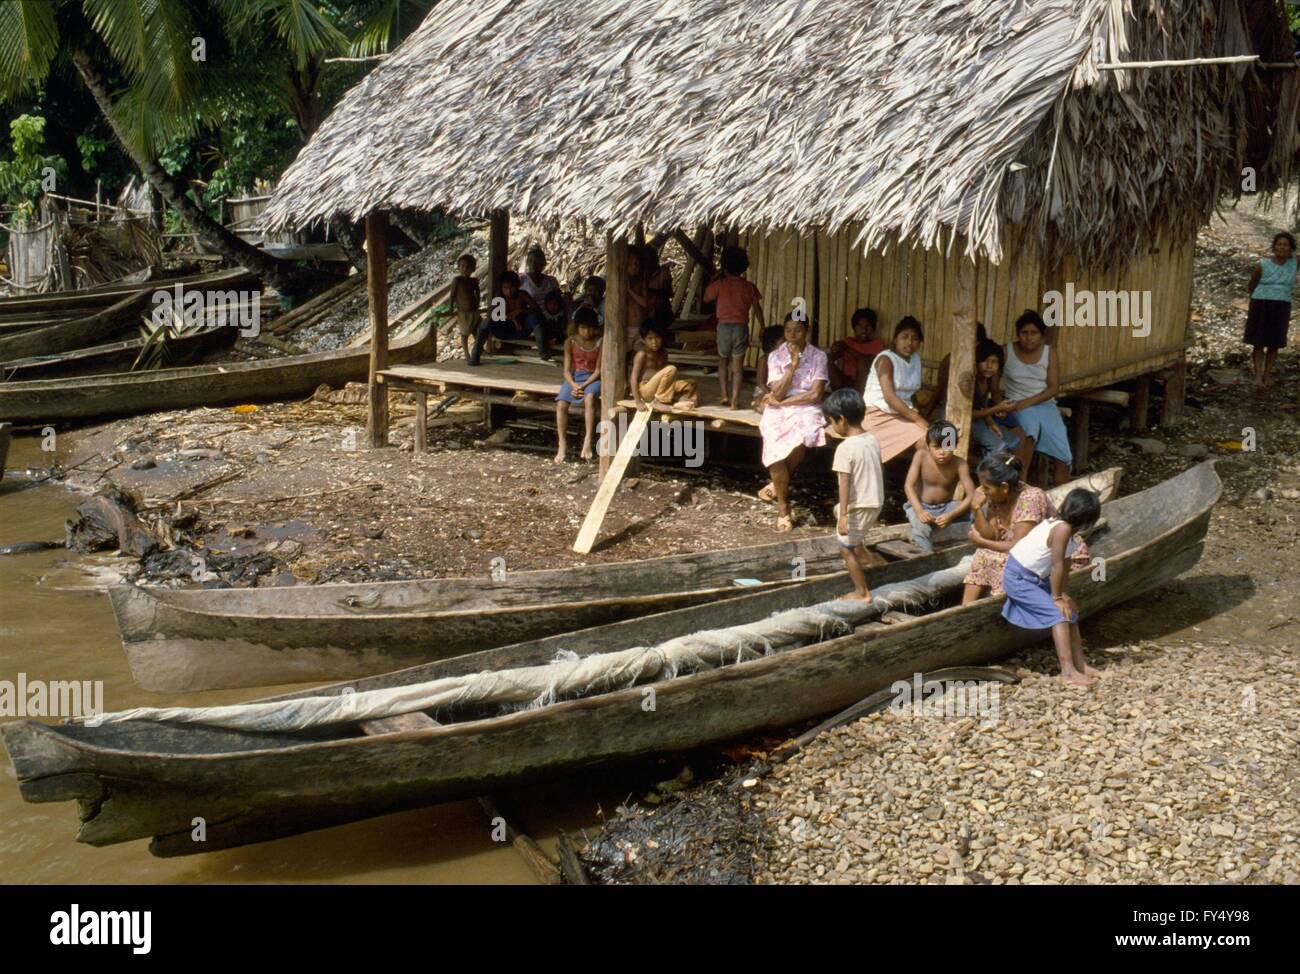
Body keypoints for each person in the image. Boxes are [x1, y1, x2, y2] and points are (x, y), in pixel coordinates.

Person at [1001, 488, 1103, 686]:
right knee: (1058, 616)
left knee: (1070, 613)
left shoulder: (1069, 532)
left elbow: (1065, 565)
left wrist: (1062, 594)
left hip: (1037, 578)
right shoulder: (1061, 528)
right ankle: (1068, 672)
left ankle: (1081, 665)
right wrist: (1055, 598)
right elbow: (1056, 564)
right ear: (1087, 519)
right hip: (1018, 578)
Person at [961, 452, 1089, 604]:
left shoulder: (1030, 499)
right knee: (982, 556)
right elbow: (992, 536)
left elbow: (1017, 548)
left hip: (1062, 556)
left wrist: (981, 542)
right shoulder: (996, 496)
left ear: (1004, 487)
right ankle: (965, 608)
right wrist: (976, 508)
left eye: (986, 488)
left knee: (1002, 561)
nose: (983, 492)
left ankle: (1004, 607)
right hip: (1028, 554)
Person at [757, 313, 828, 531]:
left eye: (797, 330)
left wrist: (784, 403)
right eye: (788, 331)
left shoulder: (819, 356)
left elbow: (815, 394)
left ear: (806, 331)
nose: (792, 336)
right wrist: (793, 364)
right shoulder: (776, 356)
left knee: (802, 434)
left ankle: (778, 491)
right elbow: (777, 393)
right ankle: (784, 505)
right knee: (774, 444)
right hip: (779, 407)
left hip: (805, 407)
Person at [822, 388, 885, 602]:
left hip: (861, 504)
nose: (832, 426)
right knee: (836, 509)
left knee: (844, 547)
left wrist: (844, 517)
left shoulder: (845, 448)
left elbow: (844, 483)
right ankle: (865, 557)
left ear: (841, 420)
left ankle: (862, 592)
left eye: (831, 422)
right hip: (875, 500)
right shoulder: (872, 439)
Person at [1000, 310, 1070, 485]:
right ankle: (1020, 483)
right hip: (1014, 403)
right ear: (1018, 334)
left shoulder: (1049, 352)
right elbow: (993, 383)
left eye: (1034, 333)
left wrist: (1026, 403)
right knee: (1029, 433)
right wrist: (998, 406)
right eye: (1024, 333)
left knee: (1062, 450)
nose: (1029, 338)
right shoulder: (1006, 351)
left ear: (1042, 335)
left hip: (1044, 404)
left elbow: (1053, 388)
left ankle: (1062, 495)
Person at [705, 245, 765, 407]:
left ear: (724, 266)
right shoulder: (749, 287)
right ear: (744, 266)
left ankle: (724, 395)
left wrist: (714, 279)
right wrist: (763, 327)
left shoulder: (720, 284)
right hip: (741, 328)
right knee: (738, 368)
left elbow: (705, 297)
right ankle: (735, 401)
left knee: (723, 361)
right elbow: (758, 310)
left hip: (723, 327)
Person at [862, 316, 928, 463]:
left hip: (902, 413)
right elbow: (889, 397)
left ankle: (917, 484)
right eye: (904, 337)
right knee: (926, 440)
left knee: (930, 440)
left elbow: (911, 393)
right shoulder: (886, 359)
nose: (909, 343)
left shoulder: (915, 359)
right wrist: (917, 418)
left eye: (915, 339)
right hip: (878, 413)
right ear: (895, 339)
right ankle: (914, 483)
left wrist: (918, 414)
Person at [903, 420, 976, 552]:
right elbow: (909, 485)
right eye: (936, 447)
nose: (942, 452)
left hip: (947, 507)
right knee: (921, 529)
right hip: (920, 505)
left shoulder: (960, 464)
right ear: (928, 446)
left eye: (947, 447)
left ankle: (976, 548)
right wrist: (919, 511)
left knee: (979, 511)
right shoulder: (921, 456)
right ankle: (927, 559)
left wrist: (951, 515)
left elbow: (971, 495)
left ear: (955, 446)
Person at [1243, 231, 1296, 390]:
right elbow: (1251, 285)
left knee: (1274, 342)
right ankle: (1258, 376)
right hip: (1261, 304)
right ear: (1273, 247)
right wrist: (1258, 298)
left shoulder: (1294, 263)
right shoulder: (1263, 264)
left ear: (1291, 249)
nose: (1282, 247)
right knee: (1258, 342)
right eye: (1279, 244)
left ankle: (1267, 374)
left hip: (1281, 305)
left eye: (1285, 245)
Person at [555, 307, 602, 462]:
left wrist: (583, 386)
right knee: (561, 403)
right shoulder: (570, 342)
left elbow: (598, 371)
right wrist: (574, 385)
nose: (586, 332)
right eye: (582, 328)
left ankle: (588, 440)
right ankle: (562, 443)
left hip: (593, 379)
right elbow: (566, 371)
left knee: (589, 399)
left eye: (590, 328)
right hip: (574, 378)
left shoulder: (600, 342)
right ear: (577, 327)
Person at [469, 271, 541, 365]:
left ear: (517, 286)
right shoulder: (499, 297)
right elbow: (491, 315)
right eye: (505, 288)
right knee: (486, 323)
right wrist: (509, 317)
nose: (509, 291)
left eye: (512, 288)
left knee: (534, 318)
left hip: (520, 330)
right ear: (501, 288)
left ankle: (543, 351)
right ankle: (474, 356)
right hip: (503, 331)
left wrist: (520, 311)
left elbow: (538, 311)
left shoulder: (522, 295)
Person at [970, 338, 1023, 458]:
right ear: (977, 362)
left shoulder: (986, 380)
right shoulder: (970, 380)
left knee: (1013, 441)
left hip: (980, 420)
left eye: (994, 362)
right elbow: (969, 415)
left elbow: (983, 406)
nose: (989, 366)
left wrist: (991, 423)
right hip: (965, 422)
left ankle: (990, 467)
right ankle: (988, 474)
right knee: (998, 446)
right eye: (985, 361)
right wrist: (996, 408)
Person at [630, 322, 697, 411]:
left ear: (662, 338)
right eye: (650, 338)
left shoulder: (663, 353)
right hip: (646, 391)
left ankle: (681, 402)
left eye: (657, 337)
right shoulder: (642, 354)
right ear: (643, 340)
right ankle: (660, 402)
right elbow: (633, 379)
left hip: (659, 389)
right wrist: (638, 401)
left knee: (691, 383)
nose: (654, 342)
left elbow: (666, 378)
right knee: (671, 369)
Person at [829, 308, 884, 392]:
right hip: (845, 381)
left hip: (865, 384)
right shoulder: (848, 342)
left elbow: (867, 360)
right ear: (854, 328)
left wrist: (847, 349)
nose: (864, 330)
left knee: (863, 362)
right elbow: (834, 357)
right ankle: (837, 395)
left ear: (873, 328)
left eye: (868, 326)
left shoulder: (877, 344)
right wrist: (835, 350)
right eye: (859, 326)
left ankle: (859, 398)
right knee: (827, 360)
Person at [449, 253, 481, 361]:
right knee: (464, 334)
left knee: (477, 331)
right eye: (462, 266)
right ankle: (467, 354)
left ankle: (478, 350)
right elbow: (452, 295)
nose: (464, 269)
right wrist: (450, 307)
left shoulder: (473, 281)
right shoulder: (457, 280)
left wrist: (478, 302)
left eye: (468, 267)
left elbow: (477, 292)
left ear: (473, 269)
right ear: (459, 267)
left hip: (474, 311)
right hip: (463, 312)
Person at [751, 324, 786, 413]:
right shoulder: (764, 360)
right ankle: (757, 404)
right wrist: (771, 393)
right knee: (765, 403)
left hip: (778, 390)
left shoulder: (785, 359)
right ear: (772, 344)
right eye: (783, 342)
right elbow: (761, 383)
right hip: (764, 390)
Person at [537, 290, 568, 361]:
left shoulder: (562, 315)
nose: (552, 307)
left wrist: (556, 339)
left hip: (558, 336)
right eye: (550, 304)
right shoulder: (544, 315)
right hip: (547, 336)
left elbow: (562, 329)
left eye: (555, 304)